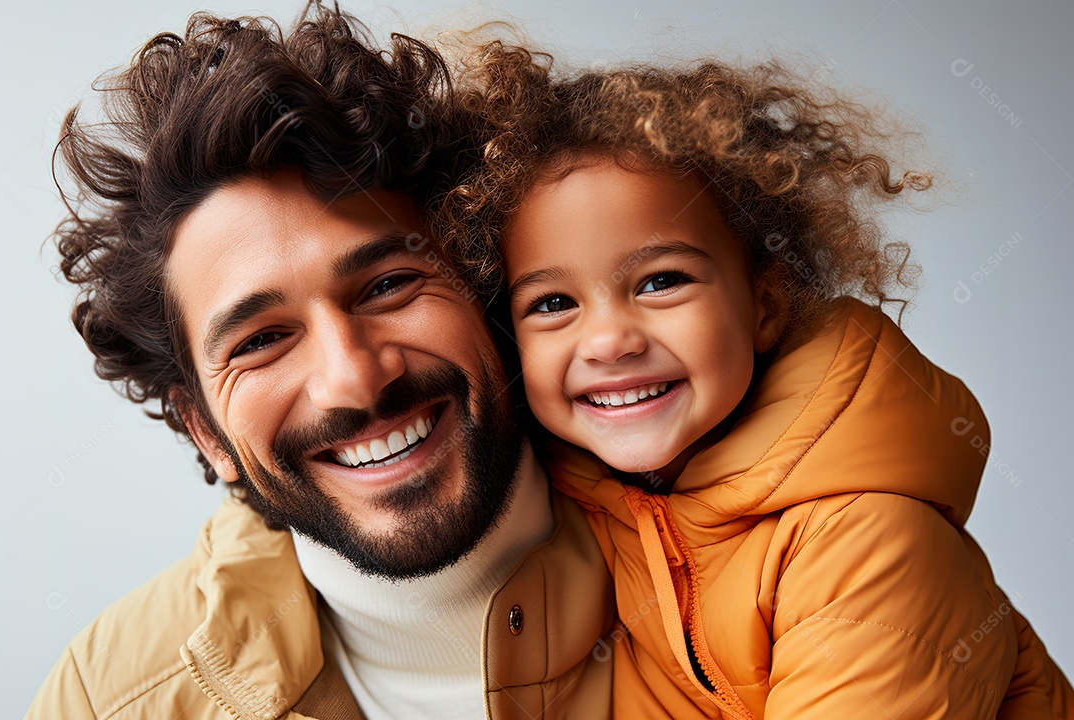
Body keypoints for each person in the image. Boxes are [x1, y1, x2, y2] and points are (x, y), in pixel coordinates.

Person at [438, 41, 1074, 718]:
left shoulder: (869, 545)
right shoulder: (571, 514)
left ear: (764, 306)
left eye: (661, 282)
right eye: (553, 304)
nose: (608, 341)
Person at [27, 5, 615, 719]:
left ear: (485, 291)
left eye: (390, 285)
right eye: (260, 341)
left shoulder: (755, 562)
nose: (356, 377)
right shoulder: (106, 702)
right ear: (207, 430)